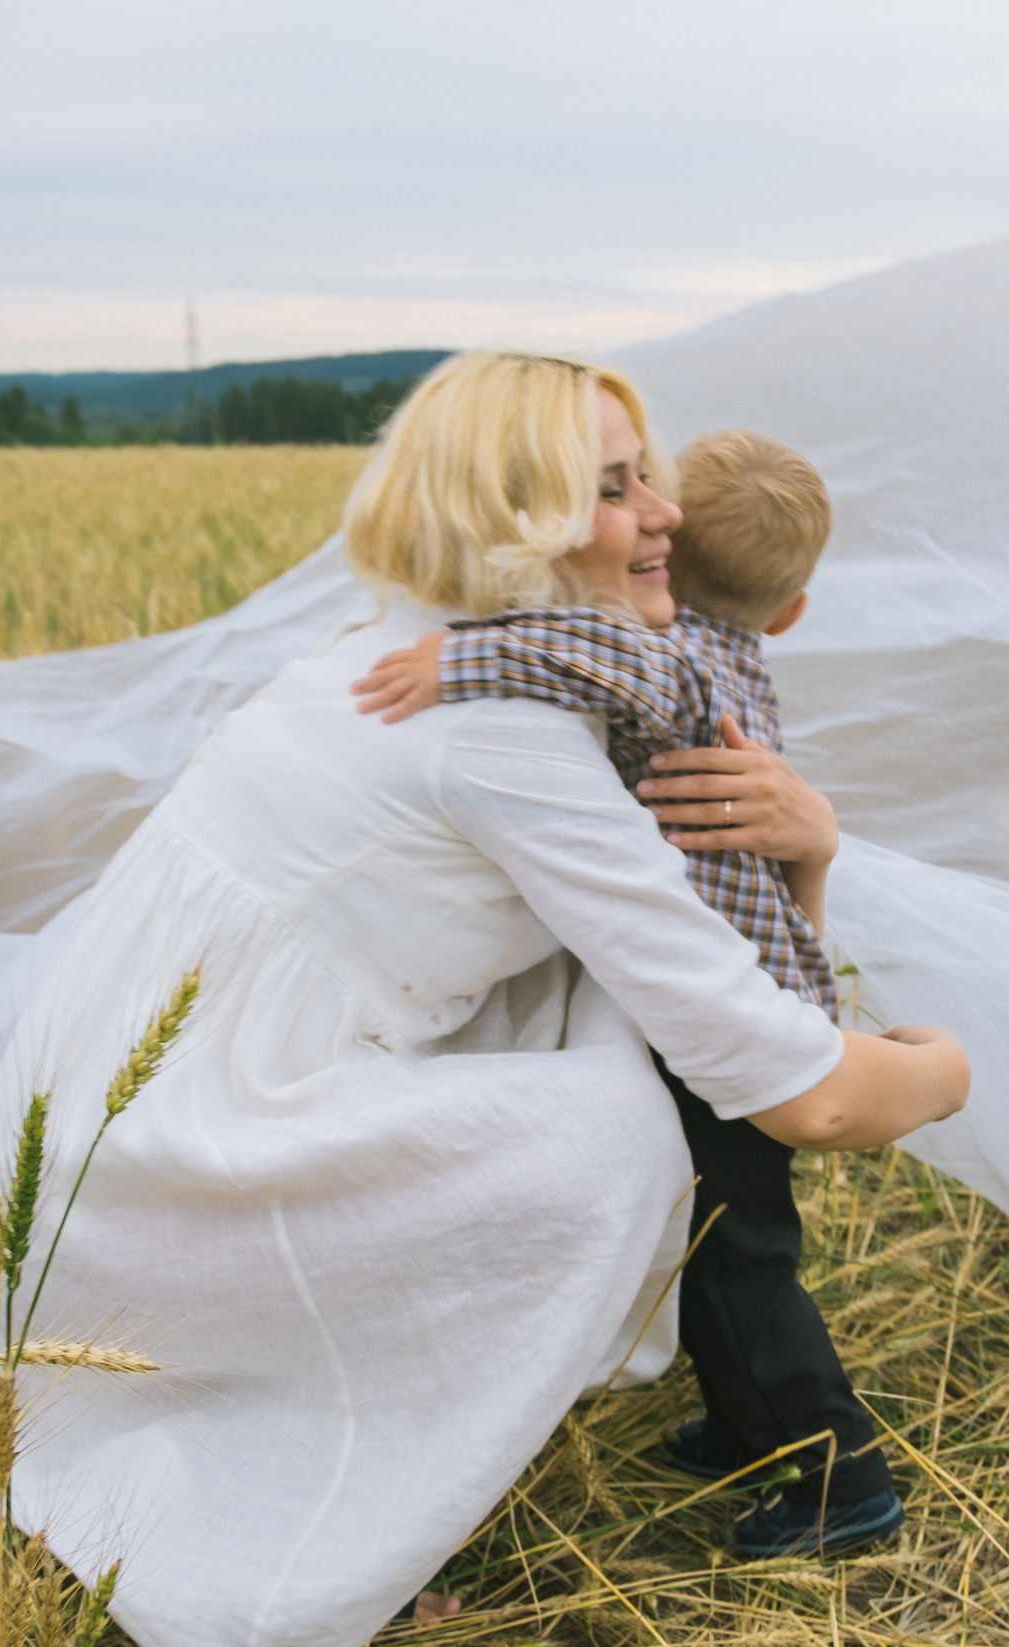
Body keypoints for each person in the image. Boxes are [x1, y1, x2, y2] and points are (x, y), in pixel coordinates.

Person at [0, 351, 970, 1647]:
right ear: (520, 525)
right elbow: (804, 1095)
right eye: (612, 489)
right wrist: (942, 1069)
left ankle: (320, 1421)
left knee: (614, 1030)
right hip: (176, 1157)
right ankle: (332, 1515)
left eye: (647, 469)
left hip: (95, 1140)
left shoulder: (401, 644)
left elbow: (696, 927)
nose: (663, 513)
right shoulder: (503, 734)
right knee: (618, 1130)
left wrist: (814, 847)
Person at [347, 429, 904, 1556]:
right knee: (710, 1231)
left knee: (733, 1248)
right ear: (789, 612)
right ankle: (748, 1425)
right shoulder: (742, 654)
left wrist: (456, 664)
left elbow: (591, 660)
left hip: (724, 1007)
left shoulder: (669, 657)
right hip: (754, 982)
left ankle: (834, 1476)